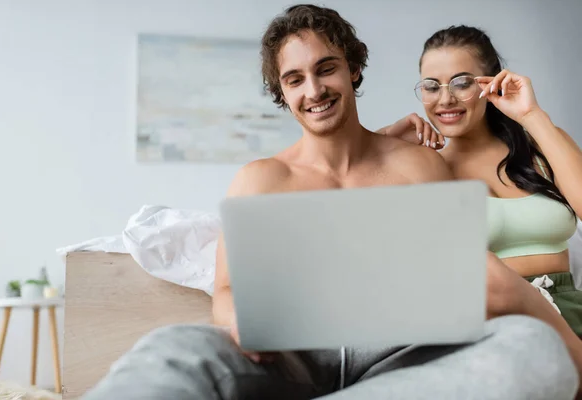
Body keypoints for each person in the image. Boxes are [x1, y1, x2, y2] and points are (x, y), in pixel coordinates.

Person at [82, 6, 581, 400]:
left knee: (534, 351)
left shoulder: (418, 166)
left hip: (402, 355)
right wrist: (239, 324)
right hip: (290, 357)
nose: (314, 89)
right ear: (281, 91)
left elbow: (452, 278)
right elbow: (229, 289)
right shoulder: (260, 179)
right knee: (170, 349)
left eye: (327, 70)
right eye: (295, 79)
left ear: (354, 70)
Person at [384, 25, 582, 337]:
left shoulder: (542, 146)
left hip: (571, 311)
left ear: (491, 83)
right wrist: (382, 144)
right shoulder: (424, 169)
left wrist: (531, 115)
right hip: (490, 323)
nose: (445, 99)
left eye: (461, 83)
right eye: (431, 86)